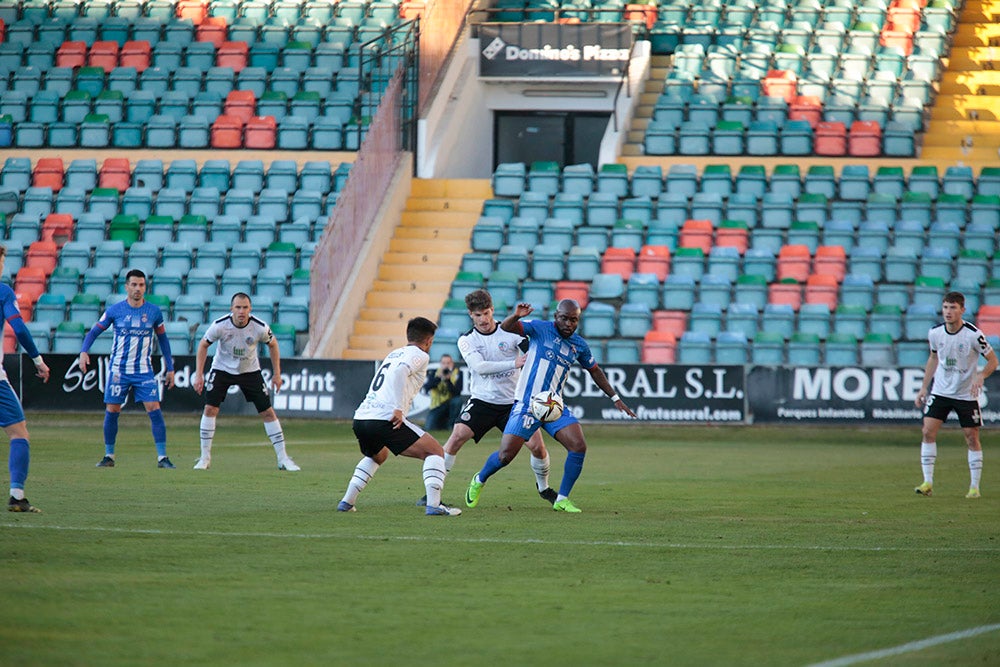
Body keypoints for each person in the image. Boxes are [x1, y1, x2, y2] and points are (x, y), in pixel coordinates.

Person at [465, 299, 636, 512]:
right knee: (505, 456)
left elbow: (595, 371)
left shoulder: (579, 345)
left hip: (553, 405)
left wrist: (615, 398)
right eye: (564, 318)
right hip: (527, 404)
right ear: (556, 317)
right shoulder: (540, 328)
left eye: (573, 320)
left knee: (578, 446)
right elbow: (507, 327)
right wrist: (517, 315)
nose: (568, 323)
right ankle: (479, 479)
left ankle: (561, 499)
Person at [419, 289, 555, 506]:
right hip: (482, 401)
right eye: (477, 315)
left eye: (486, 313)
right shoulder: (467, 340)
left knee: (538, 447)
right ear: (470, 315)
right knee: (455, 438)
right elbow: (479, 367)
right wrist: (514, 363)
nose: (483, 319)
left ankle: (544, 488)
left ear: (492, 310)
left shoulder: (511, 331)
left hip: (514, 403)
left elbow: (533, 351)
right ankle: (432, 491)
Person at [337, 316, 461, 516]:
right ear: (429, 341)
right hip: (384, 417)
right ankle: (434, 505)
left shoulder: (394, 353)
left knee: (378, 455)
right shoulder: (420, 355)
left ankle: (347, 502)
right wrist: (397, 409)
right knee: (436, 451)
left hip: (362, 417)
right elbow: (401, 372)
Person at [79, 269, 176, 468]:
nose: (137, 289)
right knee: (112, 410)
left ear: (145, 287)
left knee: (154, 409)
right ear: (126, 286)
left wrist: (170, 367)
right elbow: (95, 331)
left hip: (143, 370)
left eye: (141, 285)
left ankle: (162, 457)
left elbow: (163, 340)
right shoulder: (115, 310)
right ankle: (109, 456)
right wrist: (83, 351)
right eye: (134, 285)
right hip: (118, 371)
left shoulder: (154, 312)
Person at [191, 292, 299, 471]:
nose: (241, 311)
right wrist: (199, 374)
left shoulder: (259, 327)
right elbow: (203, 345)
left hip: (249, 370)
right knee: (210, 408)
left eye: (245, 308)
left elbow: (273, 344)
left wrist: (277, 374)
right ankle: (204, 458)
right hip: (222, 368)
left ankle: (283, 459)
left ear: (250, 309)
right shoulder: (220, 325)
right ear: (231, 309)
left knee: (267, 412)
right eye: (238, 307)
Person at [914, 291, 997, 499]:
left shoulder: (973, 334)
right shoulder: (935, 333)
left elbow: (993, 361)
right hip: (941, 391)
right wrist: (924, 387)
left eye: (953, 308)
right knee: (927, 432)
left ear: (962, 310)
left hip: (965, 394)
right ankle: (927, 483)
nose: (948, 312)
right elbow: (933, 358)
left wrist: (981, 376)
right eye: (945, 307)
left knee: (971, 437)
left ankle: (974, 487)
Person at [0, 245, 50, 512]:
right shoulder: (3, 292)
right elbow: (18, 326)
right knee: (19, 433)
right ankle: (17, 496)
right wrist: (38, 360)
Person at [421, 353, 464, 431]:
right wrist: (439, 378)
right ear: (440, 364)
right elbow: (427, 388)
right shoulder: (435, 373)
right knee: (429, 428)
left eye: (448, 363)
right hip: (437, 405)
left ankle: (451, 426)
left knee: (457, 401)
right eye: (444, 363)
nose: (446, 365)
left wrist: (448, 380)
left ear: (452, 364)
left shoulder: (458, 373)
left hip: (450, 404)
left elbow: (457, 392)